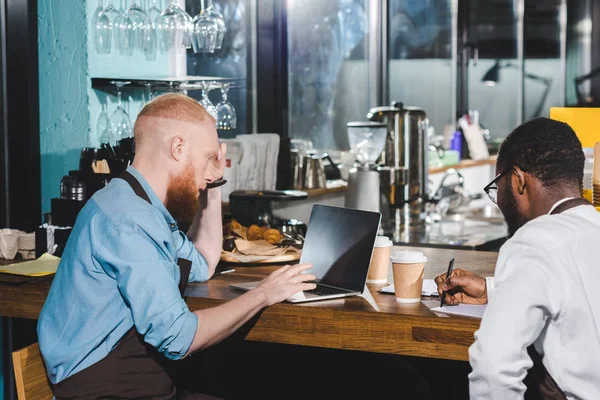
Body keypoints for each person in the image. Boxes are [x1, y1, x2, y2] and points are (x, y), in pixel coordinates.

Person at [37, 93, 317, 399]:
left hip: (134, 382)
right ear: (178, 147)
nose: (214, 169)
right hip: (107, 389)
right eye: (210, 157)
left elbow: (204, 262)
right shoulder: (130, 219)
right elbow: (179, 338)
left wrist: (212, 183)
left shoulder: (138, 205)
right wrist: (263, 294)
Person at [435, 117, 600, 399]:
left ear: (518, 181)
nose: (497, 199)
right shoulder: (592, 229)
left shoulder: (535, 239)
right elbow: (581, 290)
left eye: (497, 186)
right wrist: (493, 289)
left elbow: (493, 370)